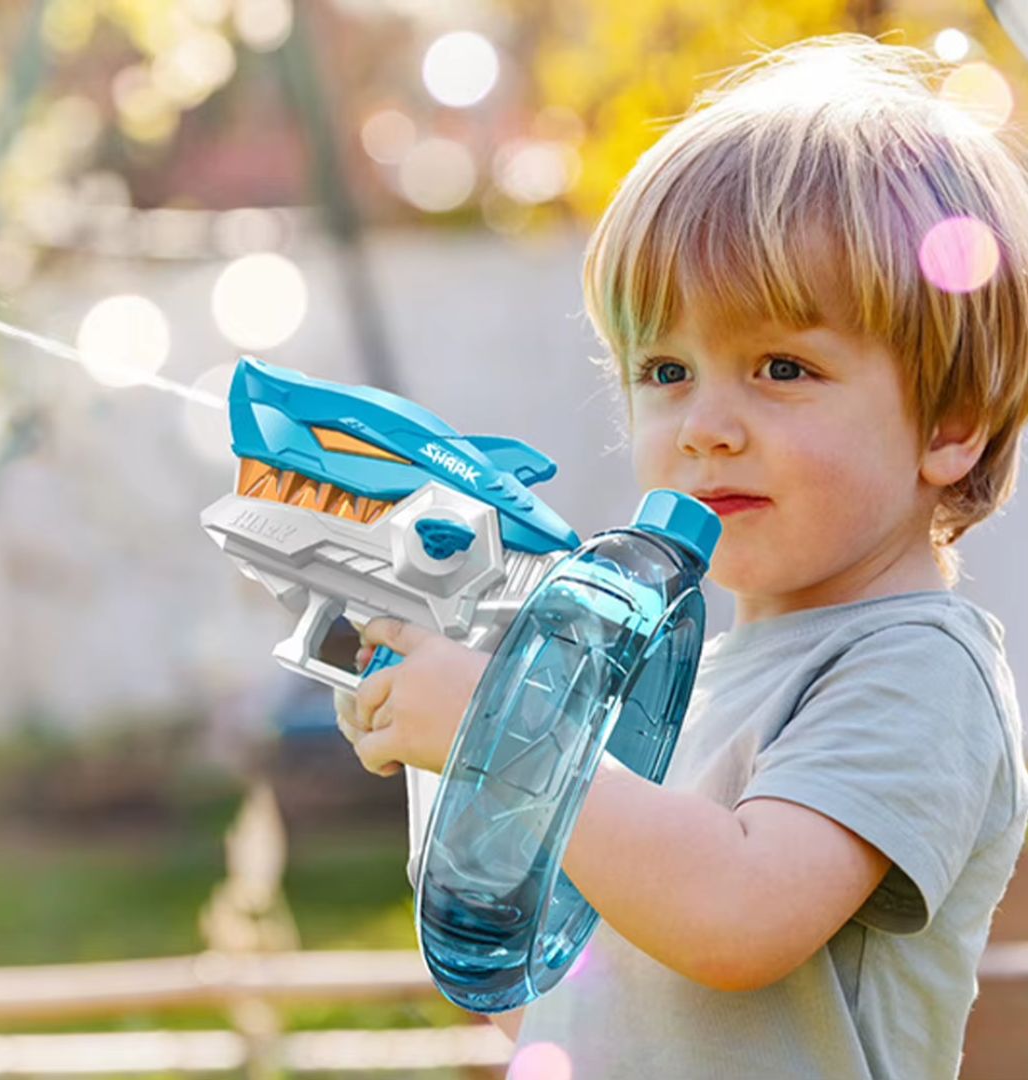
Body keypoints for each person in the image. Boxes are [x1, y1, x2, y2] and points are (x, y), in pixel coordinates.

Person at [335, 32, 1028, 1079]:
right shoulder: (678, 677)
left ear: (950, 423)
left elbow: (737, 917)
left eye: (782, 367)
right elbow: (549, 999)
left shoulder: (916, 666)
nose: (705, 425)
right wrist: (456, 761)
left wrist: (499, 732)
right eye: (665, 368)